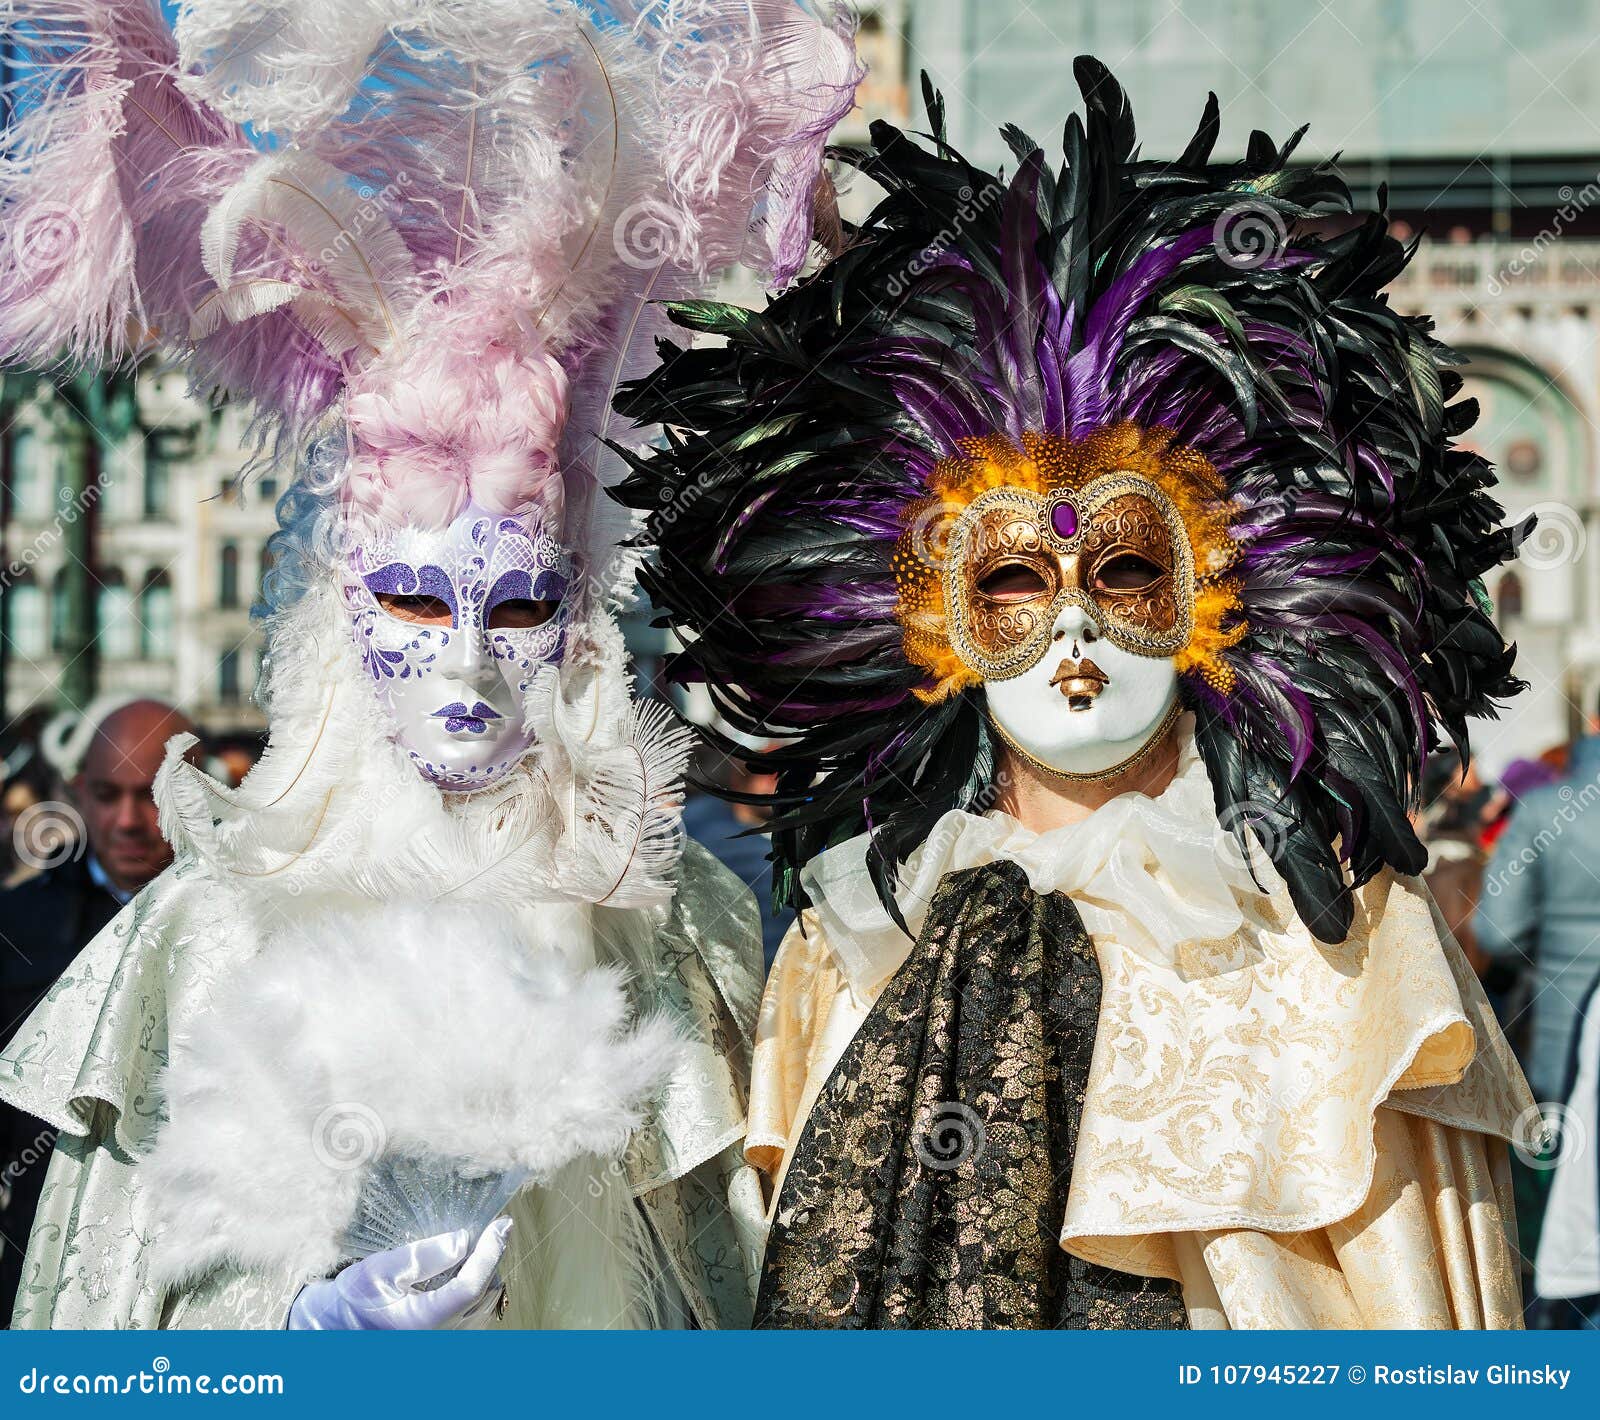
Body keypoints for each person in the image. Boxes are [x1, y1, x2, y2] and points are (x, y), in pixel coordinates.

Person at [619, 60, 1535, 1328]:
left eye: (1119, 571)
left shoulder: (1343, 938)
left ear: (1216, 593)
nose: (1072, 632)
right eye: (1009, 583)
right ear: (928, 623)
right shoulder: (851, 942)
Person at [0, 0, 858, 1330]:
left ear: (575, 618)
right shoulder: (209, 930)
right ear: (344, 616)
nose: (467, 665)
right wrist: (312, 1338)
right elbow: (109, 1326)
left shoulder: (674, 927)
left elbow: (743, 1299)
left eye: (517, 612)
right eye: (411, 601)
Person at [0, 699, 196, 1322]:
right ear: (80, 793)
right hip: (37, 1257)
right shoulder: (15, 924)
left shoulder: (254, 925)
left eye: (153, 795)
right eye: (109, 795)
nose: (130, 821)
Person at [1477, 696, 1600, 1109]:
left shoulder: (1543, 810)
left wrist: (1548, 958)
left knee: (1566, 1157)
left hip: (1563, 1030)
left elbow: (1497, 933)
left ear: (1594, 723)